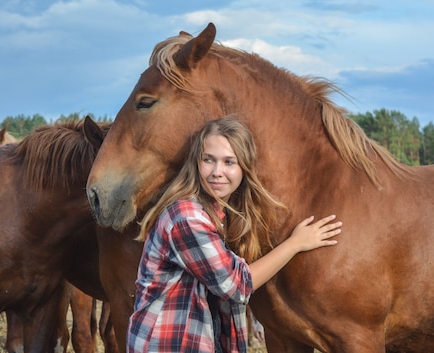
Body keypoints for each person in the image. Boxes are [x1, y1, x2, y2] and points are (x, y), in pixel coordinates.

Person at [128, 115, 342, 353]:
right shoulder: (186, 217)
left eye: (229, 162)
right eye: (208, 160)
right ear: (196, 163)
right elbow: (236, 285)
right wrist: (295, 243)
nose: (217, 171)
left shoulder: (220, 215)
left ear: (244, 168)